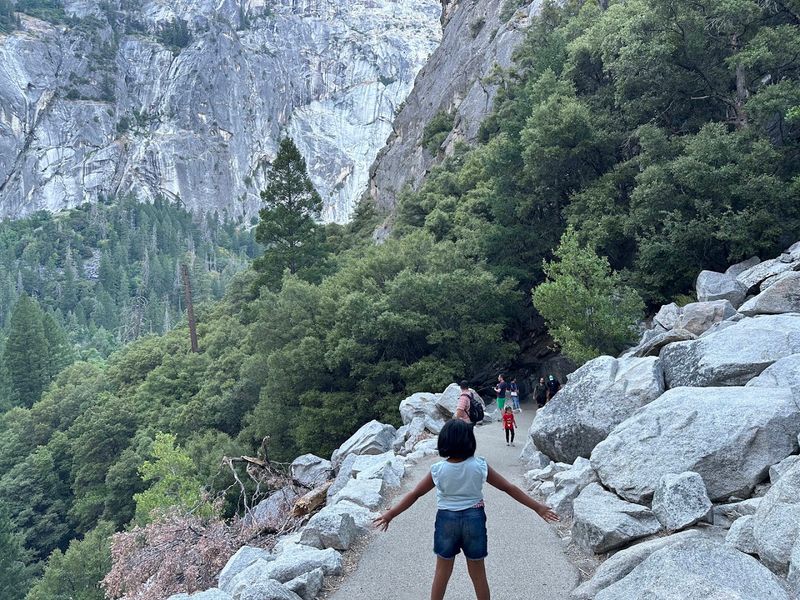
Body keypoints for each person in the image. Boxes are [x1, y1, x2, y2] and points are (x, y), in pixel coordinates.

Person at [373, 420, 559, 600]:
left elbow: (415, 494)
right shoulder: (479, 465)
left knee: (442, 571)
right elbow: (508, 487)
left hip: (447, 521)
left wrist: (391, 514)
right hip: (474, 520)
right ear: (470, 442)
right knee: (478, 572)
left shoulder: (438, 469)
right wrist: (538, 507)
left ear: (444, 442)